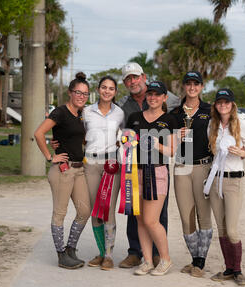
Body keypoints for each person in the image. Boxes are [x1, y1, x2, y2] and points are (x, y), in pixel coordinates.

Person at [117, 62, 175, 269]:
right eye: (128, 79)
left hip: (158, 168)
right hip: (134, 168)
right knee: (137, 214)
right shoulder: (125, 107)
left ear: (143, 77)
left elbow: (176, 133)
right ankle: (138, 254)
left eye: (135, 77)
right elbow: (123, 135)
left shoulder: (170, 108)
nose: (132, 81)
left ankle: (161, 255)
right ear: (125, 82)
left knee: (156, 215)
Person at [34, 72, 92, 269]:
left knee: (85, 210)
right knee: (60, 212)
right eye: (78, 92)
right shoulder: (60, 112)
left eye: (85, 94)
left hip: (79, 169)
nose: (81, 97)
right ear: (70, 93)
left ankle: (70, 248)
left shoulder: (81, 114)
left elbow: (78, 138)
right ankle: (61, 254)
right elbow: (39, 133)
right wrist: (50, 156)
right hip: (62, 170)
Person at [206, 88, 245, 286]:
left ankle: (238, 270)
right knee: (221, 228)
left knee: (232, 230)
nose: (223, 105)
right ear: (216, 105)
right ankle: (228, 269)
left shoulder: (241, 125)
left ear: (232, 104)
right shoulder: (213, 124)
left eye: (226, 102)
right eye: (219, 102)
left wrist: (241, 153)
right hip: (215, 179)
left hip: (233, 181)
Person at [169, 71, 213, 278]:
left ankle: (200, 263)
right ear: (184, 86)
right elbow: (165, 139)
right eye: (189, 84)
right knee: (186, 217)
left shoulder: (209, 110)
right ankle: (195, 258)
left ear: (202, 87)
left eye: (196, 84)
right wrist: (175, 136)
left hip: (203, 166)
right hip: (181, 166)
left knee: (203, 215)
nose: (192, 87)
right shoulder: (175, 113)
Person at [82, 76, 124, 270]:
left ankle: (108, 255)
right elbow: (80, 134)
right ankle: (100, 252)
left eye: (111, 88)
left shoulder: (120, 113)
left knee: (107, 210)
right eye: (104, 88)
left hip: (111, 164)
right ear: (98, 90)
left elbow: (124, 138)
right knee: (95, 211)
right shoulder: (87, 111)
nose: (107, 91)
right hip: (91, 162)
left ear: (115, 92)